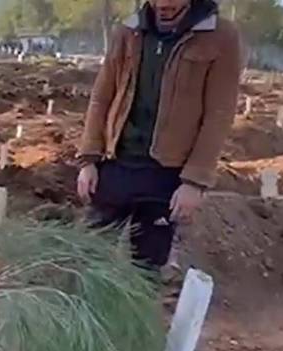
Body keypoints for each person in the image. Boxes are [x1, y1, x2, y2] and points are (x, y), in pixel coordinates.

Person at [76, 0, 242, 269]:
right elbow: (101, 98)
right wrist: (89, 159)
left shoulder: (221, 37)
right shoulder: (127, 31)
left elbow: (218, 116)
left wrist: (195, 181)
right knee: (88, 261)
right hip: (116, 165)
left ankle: (137, 311)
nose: (163, 4)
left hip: (166, 176)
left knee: (147, 269)